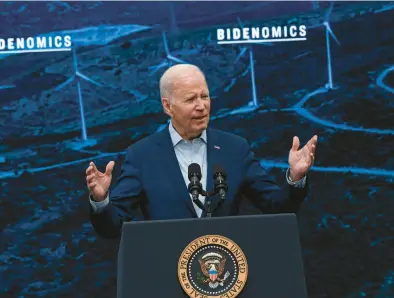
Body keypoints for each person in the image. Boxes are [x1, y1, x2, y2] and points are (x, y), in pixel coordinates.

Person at [86, 64, 317, 239]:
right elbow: (112, 227)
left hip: (226, 275)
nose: (201, 106)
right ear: (168, 106)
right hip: (167, 276)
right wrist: (101, 200)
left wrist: (295, 178)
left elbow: (277, 206)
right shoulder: (142, 155)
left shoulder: (235, 149)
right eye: (190, 99)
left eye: (205, 96)